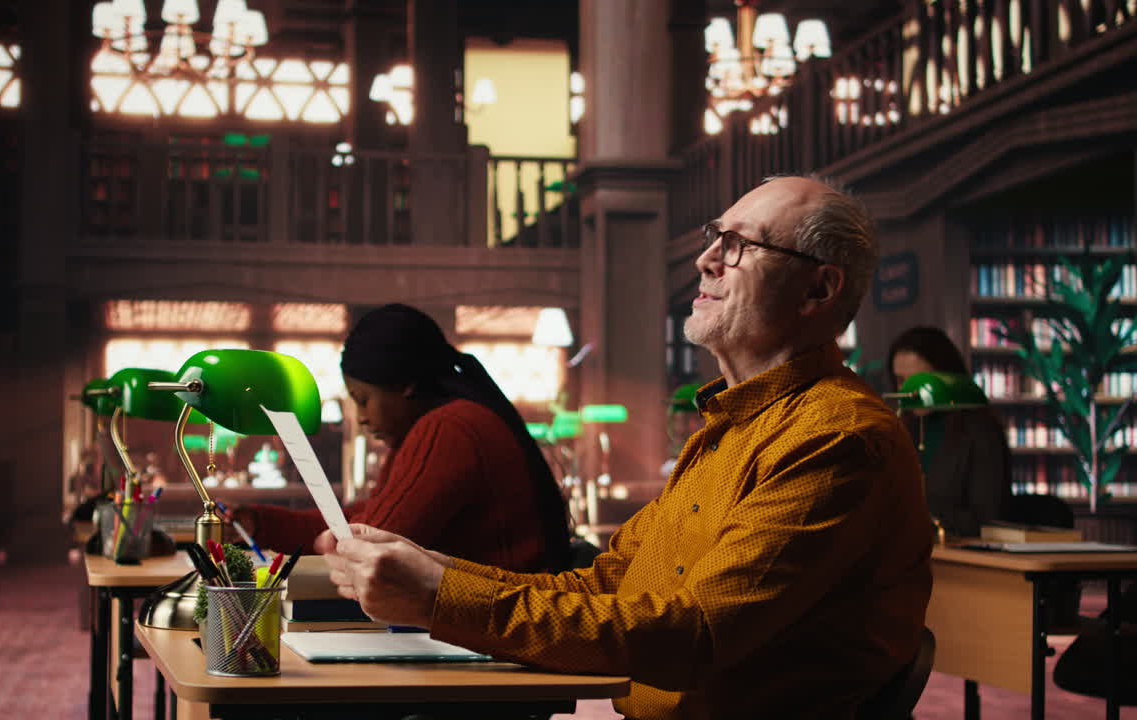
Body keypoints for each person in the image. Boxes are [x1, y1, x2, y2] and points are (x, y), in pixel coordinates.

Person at [315, 176, 934, 719]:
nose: (706, 260)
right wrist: (440, 571)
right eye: (713, 237)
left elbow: (693, 637)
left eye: (738, 245)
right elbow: (606, 585)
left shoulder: (837, 437)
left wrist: (439, 597)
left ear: (819, 290)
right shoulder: (728, 427)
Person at [231, 303, 572, 573]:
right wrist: (257, 523)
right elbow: (359, 521)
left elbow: (368, 548)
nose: (361, 417)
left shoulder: (448, 429)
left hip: (488, 628)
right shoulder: (442, 425)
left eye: (363, 399)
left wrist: (329, 542)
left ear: (406, 385)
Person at [887, 325, 1012, 537]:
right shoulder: (899, 429)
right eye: (901, 381)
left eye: (920, 380)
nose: (909, 392)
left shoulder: (981, 431)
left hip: (960, 549)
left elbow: (987, 518)